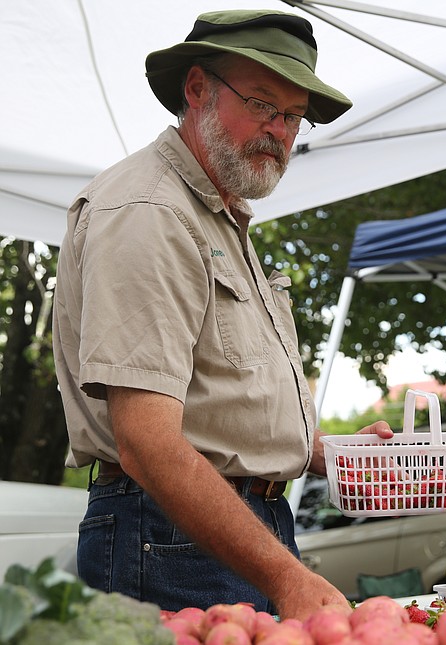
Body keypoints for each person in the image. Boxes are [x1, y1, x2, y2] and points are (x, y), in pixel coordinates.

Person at [52, 9, 393, 620]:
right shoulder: (149, 211)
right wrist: (289, 578)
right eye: (262, 103)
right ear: (197, 89)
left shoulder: (214, 212)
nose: (278, 131)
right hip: (166, 535)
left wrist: (323, 452)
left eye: (292, 116)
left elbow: (222, 409)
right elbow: (148, 444)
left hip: (213, 528)